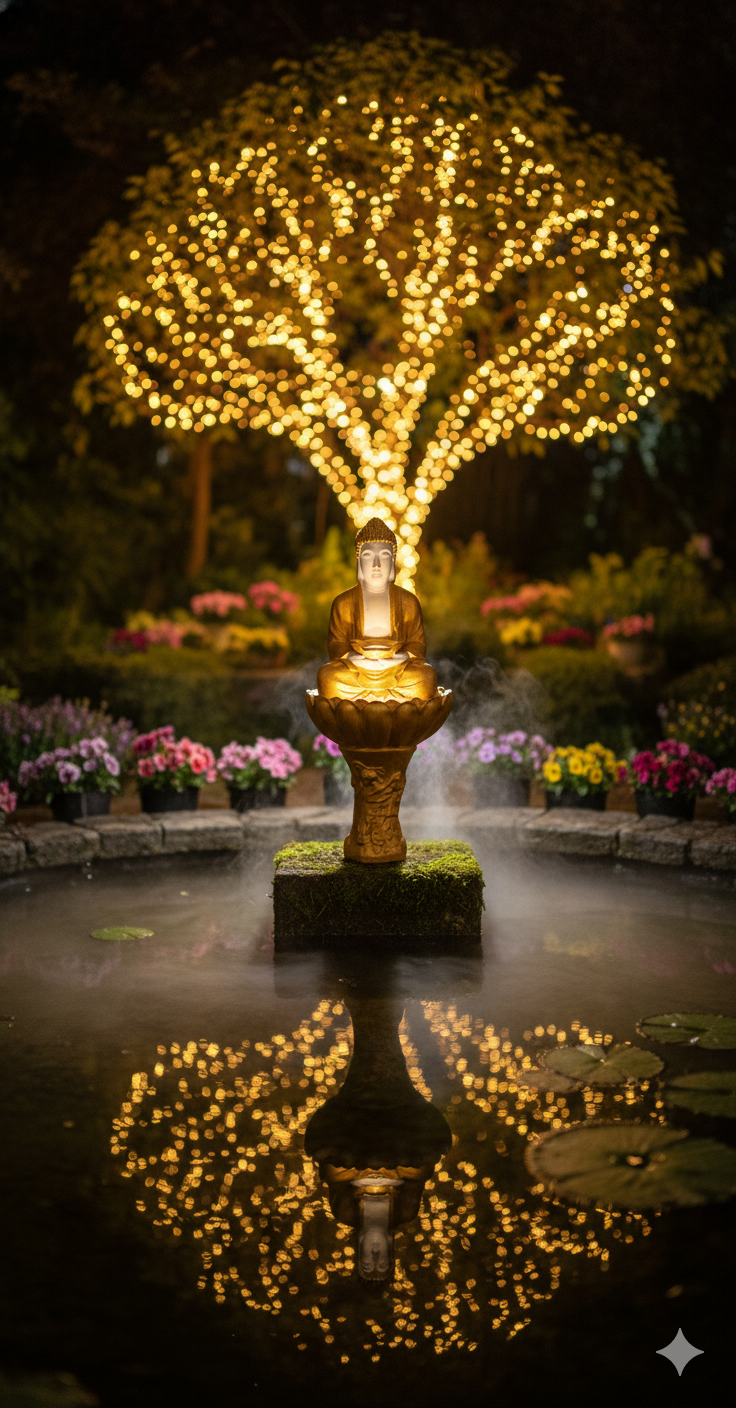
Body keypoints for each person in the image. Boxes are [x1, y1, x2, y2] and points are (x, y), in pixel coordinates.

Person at [316, 517, 439, 703]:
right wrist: (357, 658)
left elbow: (417, 645)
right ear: (358, 560)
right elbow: (336, 646)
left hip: (397, 670)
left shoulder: (408, 601)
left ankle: (380, 700)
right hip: (356, 670)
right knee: (328, 677)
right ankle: (388, 702)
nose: (376, 564)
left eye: (383, 556)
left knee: (425, 677)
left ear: (393, 561)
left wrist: (398, 658)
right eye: (368, 556)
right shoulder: (343, 603)